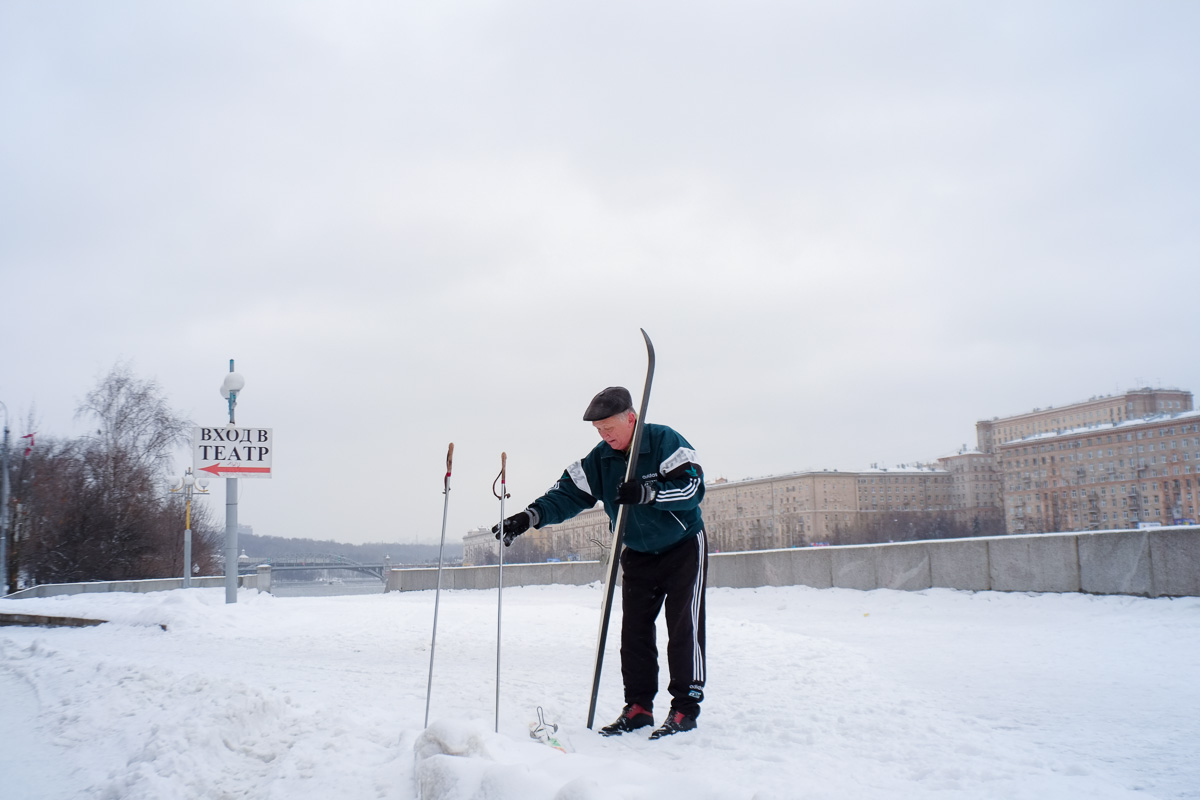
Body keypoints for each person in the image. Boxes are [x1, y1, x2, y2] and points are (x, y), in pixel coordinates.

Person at [492, 386, 708, 739]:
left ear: (631, 419)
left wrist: (649, 493)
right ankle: (639, 707)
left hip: (682, 545)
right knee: (634, 632)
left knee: (683, 626)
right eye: (599, 431)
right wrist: (529, 517)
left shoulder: (664, 441)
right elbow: (565, 495)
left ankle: (685, 708)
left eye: (610, 428)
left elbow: (692, 490)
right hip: (637, 551)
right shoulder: (600, 459)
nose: (605, 436)